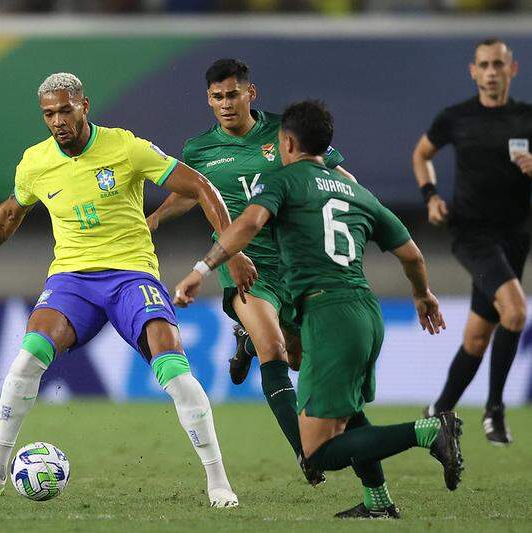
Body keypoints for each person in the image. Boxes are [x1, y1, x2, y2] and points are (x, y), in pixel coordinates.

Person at [174, 100, 464, 519]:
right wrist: (422, 295)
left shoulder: (286, 181)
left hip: (326, 315)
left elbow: (249, 223)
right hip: (366, 312)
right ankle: (378, 502)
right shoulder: (357, 191)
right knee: (346, 409)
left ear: (287, 142)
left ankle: (429, 431)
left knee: (318, 452)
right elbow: (413, 255)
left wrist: (202, 268)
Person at [0, 72, 258, 506]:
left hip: (131, 276)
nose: (58, 120)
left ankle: (218, 481)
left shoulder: (126, 147)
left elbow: (200, 186)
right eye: (49, 114)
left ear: (84, 105)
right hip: (71, 281)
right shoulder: (35, 162)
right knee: (27, 359)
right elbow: (10, 215)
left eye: (65, 110)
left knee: (175, 372)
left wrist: (230, 249)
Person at [147, 58, 355, 484]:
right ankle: (306, 455)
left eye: (233, 94)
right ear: (209, 99)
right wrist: (148, 224)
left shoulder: (285, 134)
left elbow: (333, 173)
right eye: (217, 97)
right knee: (274, 351)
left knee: (298, 358)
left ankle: (243, 341)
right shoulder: (198, 150)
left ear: (250, 93)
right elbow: (188, 195)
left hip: (297, 260)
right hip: (240, 263)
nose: (226, 103)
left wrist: (363, 206)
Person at [412, 38, 532, 445]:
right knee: (515, 312)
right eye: (485, 64)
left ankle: (438, 409)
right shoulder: (456, 117)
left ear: (512, 69)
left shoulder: (528, 119)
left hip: (516, 237)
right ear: (473, 71)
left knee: (478, 337)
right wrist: (430, 198)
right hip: (471, 234)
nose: (492, 71)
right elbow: (421, 154)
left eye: (499, 64)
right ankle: (494, 411)